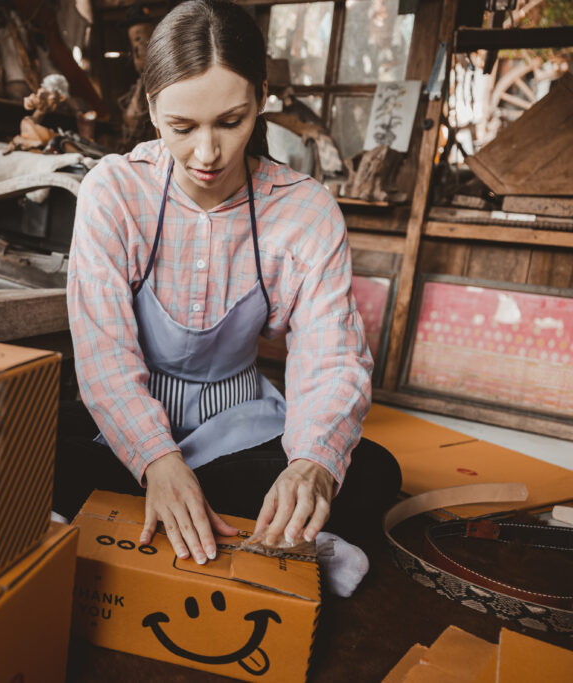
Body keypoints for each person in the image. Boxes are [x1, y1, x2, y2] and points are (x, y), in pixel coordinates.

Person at [54, 0, 401, 597]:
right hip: (126, 423)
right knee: (17, 444)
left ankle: (143, 519)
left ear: (261, 98)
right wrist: (157, 461)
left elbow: (332, 357)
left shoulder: (305, 208)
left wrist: (310, 467)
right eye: (182, 127)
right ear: (153, 107)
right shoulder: (114, 190)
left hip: (243, 427)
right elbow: (103, 357)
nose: (207, 154)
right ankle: (275, 536)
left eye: (231, 121)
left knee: (370, 470)